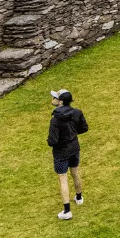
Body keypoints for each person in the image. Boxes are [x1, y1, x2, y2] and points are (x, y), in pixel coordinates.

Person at [47, 89, 88, 220]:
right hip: (74, 147)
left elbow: (52, 141)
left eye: (55, 98)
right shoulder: (77, 112)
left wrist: (51, 140)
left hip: (61, 152)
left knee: (63, 178)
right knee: (75, 172)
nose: (53, 99)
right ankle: (79, 197)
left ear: (61, 102)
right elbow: (84, 128)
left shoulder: (55, 120)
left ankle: (67, 211)